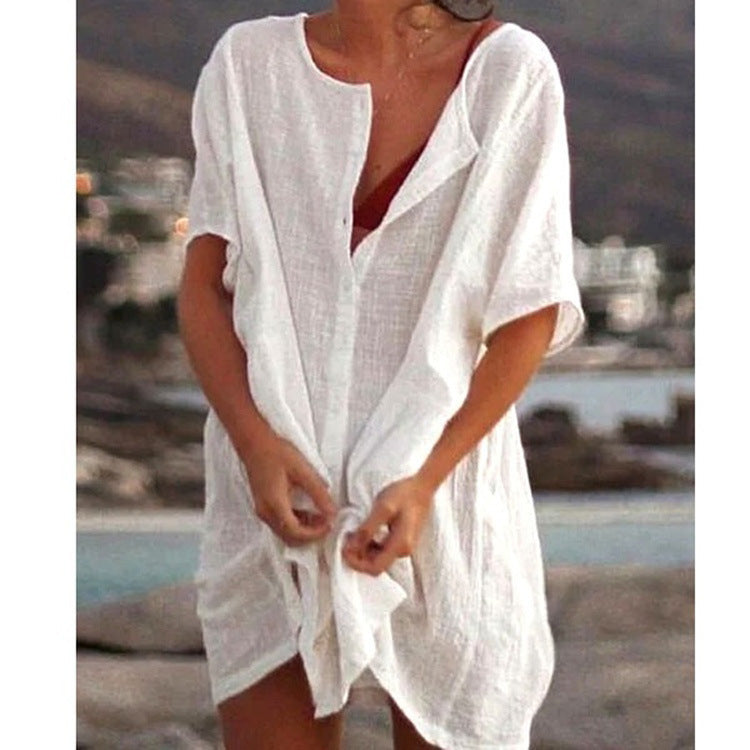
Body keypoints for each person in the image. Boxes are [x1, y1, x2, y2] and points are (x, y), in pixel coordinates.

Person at [177, 1, 585, 748]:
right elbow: (204, 286)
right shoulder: (247, 66)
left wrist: (424, 480)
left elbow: (528, 312)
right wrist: (256, 445)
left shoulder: (508, 73)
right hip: (273, 504)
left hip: (444, 504)